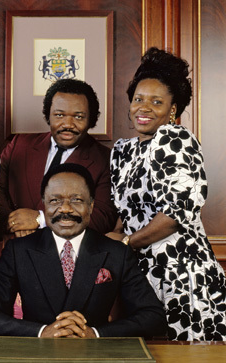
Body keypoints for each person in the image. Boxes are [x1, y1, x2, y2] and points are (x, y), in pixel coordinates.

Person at [109, 47, 226, 341]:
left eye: (156, 102)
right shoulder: (123, 151)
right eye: (138, 99)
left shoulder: (174, 138)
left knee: (182, 354)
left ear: (172, 109)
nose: (143, 108)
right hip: (139, 269)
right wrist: (112, 249)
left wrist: (125, 243)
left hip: (179, 269)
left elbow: (176, 215)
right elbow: (125, 213)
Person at [0, 163, 166, 338]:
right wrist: (42, 332)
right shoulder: (18, 250)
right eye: (55, 201)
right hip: (38, 355)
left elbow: (153, 317)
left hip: (94, 356)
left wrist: (95, 334)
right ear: (44, 205)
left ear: (90, 206)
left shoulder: (116, 252)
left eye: (76, 200)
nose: (65, 209)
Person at [0, 78, 117, 241]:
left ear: (91, 119)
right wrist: (14, 223)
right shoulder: (19, 145)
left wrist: (40, 220)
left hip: (69, 255)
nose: (67, 124)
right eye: (59, 115)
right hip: (14, 245)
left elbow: (103, 217)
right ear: (48, 115)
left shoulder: (105, 159)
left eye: (78, 117)